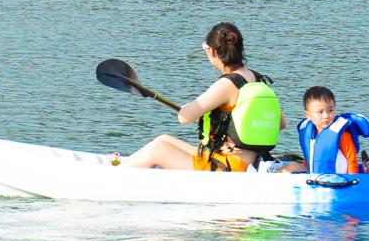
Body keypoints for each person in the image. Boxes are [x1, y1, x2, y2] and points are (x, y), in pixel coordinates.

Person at [117, 22, 282, 171]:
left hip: (229, 166)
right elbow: (281, 123)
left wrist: (191, 108)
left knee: (158, 149)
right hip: (253, 161)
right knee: (164, 138)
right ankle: (125, 163)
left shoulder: (228, 84)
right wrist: (230, 122)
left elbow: (184, 117)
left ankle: (114, 171)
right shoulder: (258, 79)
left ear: (212, 51)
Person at [281, 86, 369, 177]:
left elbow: (351, 161)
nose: (326, 116)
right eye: (320, 112)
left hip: (340, 180)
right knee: (291, 166)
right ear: (308, 115)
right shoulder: (309, 133)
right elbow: (309, 157)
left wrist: (351, 180)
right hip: (316, 179)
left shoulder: (342, 135)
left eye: (330, 110)